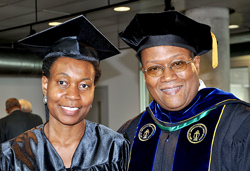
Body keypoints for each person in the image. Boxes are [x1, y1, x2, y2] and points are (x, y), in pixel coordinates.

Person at [118, 10, 250, 171]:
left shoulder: (239, 123)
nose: (167, 77)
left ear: (196, 64)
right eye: (154, 68)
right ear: (144, 75)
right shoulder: (132, 131)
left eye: (178, 64)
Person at [0, 15, 129, 170]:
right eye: (62, 82)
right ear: (45, 85)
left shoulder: (115, 148)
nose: (73, 95)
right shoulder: (13, 155)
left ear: (93, 89)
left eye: (84, 85)